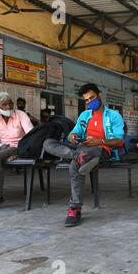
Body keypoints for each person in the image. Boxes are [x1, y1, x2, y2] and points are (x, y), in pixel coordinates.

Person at [43, 83, 124, 227]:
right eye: (86, 100)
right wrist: (73, 136)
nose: (89, 102)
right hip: (81, 148)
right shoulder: (84, 115)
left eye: (92, 98)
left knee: (74, 167)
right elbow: (73, 133)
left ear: (100, 95)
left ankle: (74, 209)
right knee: (48, 143)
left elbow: (119, 141)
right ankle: (79, 156)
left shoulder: (113, 116)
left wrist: (100, 140)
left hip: (102, 148)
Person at [0, 92, 34, 209]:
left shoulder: (21, 115)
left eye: (10, 103)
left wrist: (22, 152)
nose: (8, 107)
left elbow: (31, 134)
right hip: (0, 146)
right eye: (4, 104)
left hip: (16, 146)